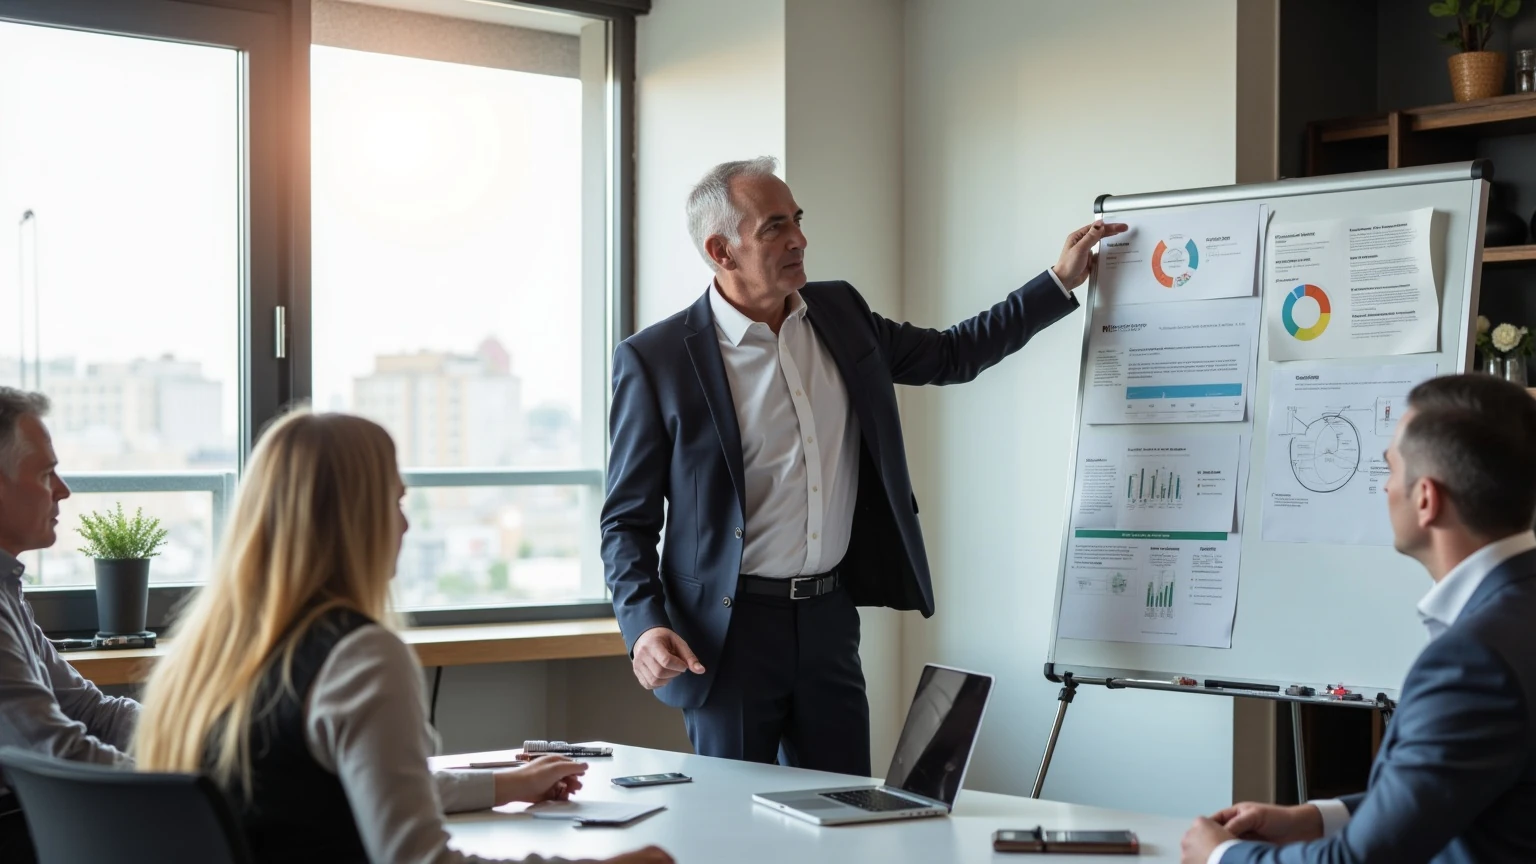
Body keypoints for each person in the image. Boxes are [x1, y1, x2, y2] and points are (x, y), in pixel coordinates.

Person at [602, 155, 1126, 774]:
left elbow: (952, 354)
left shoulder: (839, 313)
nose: (799, 238)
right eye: (774, 227)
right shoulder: (656, 360)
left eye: (797, 219)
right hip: (728, 636)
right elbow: (626, 521)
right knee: (735, 832)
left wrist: (1058, 282)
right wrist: (643, 626)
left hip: (828, 620)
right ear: (722, 250)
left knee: (845, 815)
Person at [132, 411, 670, 864]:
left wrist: (505, 784)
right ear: (351, 521)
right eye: (394, 502)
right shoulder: (358, 657)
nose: (405, 527)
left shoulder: (204, 656)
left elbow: (353, 791)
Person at [1181, 373, 1536, 864]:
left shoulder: (1473, 659)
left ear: (1426, 499)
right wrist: (1315, 818)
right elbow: (1456, 784)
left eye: (1390, 468)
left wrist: (1221, 857)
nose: (1385, 486)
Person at [0, 388, 141, 864]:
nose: (63, 490)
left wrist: (197, 730)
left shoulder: (5, 589)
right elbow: (55, 750)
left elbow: (87, 708)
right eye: (45, 473)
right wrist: (189, 783)